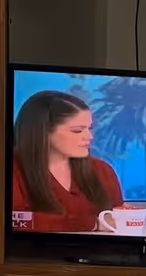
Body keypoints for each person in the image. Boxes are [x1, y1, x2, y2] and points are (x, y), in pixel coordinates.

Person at [9, 89, 123, 232]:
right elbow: (15, 221)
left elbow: (117, 223)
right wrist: (92, 224)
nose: (89, 137)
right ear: (43, 131)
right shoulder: (10, 168)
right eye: (77, 130)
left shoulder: (102, 170)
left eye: (90, 128)